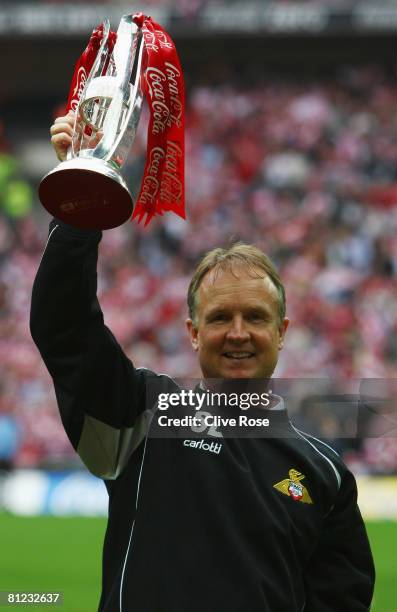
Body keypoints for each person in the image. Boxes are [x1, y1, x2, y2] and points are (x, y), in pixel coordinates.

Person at [30, 112, 375, 612]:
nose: (238, 333)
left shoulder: (325, 474)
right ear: (193, 333)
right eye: (220, 318)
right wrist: (83, 197)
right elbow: (65, 330)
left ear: (282, 332)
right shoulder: (143, 415)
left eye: (255, 317)